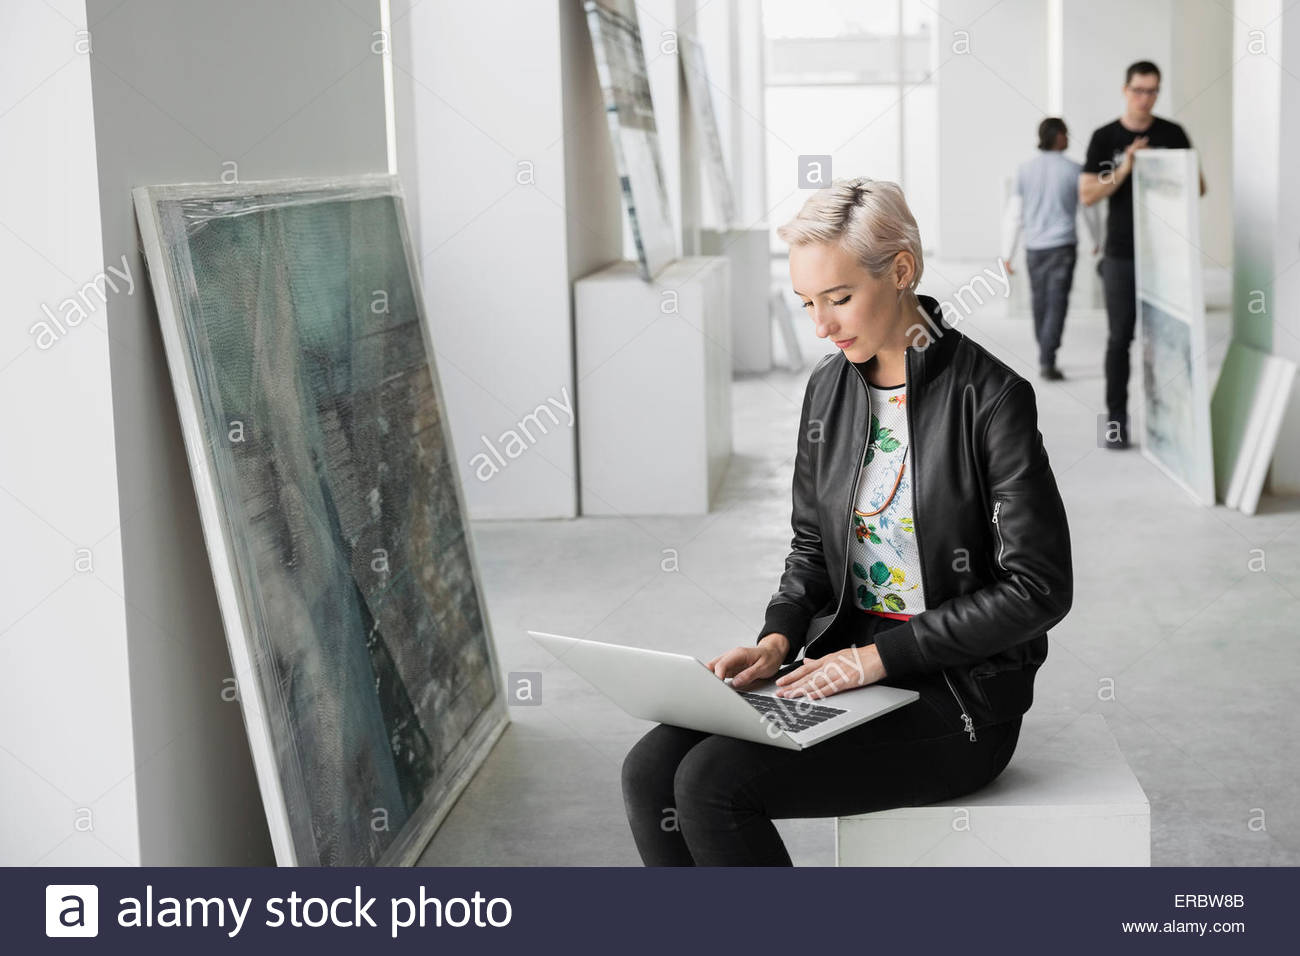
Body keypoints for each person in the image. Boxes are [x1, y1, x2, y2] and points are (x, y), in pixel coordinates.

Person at [620, 177, 1074, 866]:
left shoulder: (991, 398)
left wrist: (876, 659)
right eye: (807, 303)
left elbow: (1038, 587)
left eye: (838, 298)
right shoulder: (828, 390)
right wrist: (777, 640)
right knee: (649, 770)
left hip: (957, 702)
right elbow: (811, 548)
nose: (822, 326)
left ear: (901, 271)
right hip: (842, 671)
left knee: (712, 785)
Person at [1080, 60, 1205, 449]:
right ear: (1125, 90)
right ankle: (1115, 425)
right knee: (1120, 340)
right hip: (1121, 254)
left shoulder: (1172, 133)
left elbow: (1197, 187)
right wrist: (1127, 167)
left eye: (1152, 91)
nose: (1145, 98)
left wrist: (1164, 170)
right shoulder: (1105, 137)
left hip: (1166, 254)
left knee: (1164, 339)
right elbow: (1087, 193)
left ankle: (1167, 422)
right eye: (1138, 90)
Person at [1000, 117, 1100, 381]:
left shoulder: (1025, 170)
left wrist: (1007, 254)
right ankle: (1047, 357)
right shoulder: (1075, 170)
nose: (1069, 137)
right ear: (1057, 137)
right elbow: (1088, 210)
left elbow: (1014, 215)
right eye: (1066, 133)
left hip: (1034, 249)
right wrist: (1096, 240)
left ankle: (1045, 353)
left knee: (1040, 302)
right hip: (1063, 247)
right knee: (1057, 303)